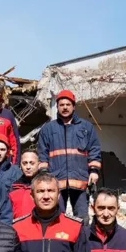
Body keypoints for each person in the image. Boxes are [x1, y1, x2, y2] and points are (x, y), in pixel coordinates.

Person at [37, 89, 102, 219]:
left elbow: (94, 149)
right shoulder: (48, 129)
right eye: (61, 105)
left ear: (73, 106)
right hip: (56, 182)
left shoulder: (86, 127)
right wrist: (45, 176)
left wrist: (94, 171)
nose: (65, 107)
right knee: (56, 218)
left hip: (80, 180)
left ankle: (82, 240)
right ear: (58, 107)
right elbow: (42, 153)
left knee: (82, 219)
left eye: (68, 104)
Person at [8, 150, 40, 221]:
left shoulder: (48, 187)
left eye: (32, 163)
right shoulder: (14, 188)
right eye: (25, 163)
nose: (28, 167)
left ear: (38, 164)